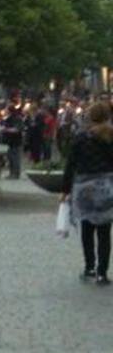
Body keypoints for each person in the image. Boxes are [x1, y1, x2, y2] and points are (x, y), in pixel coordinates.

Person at [63, 101, 113, 285]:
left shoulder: (81, 138)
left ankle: (89, 267)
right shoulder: (110, 137)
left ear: (90, 117)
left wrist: (64, 189)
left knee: (87, 229)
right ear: (107, 117)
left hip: (84, 188)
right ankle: (102, 273)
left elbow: (71, 165)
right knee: (105, 232)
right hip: (106, 187)